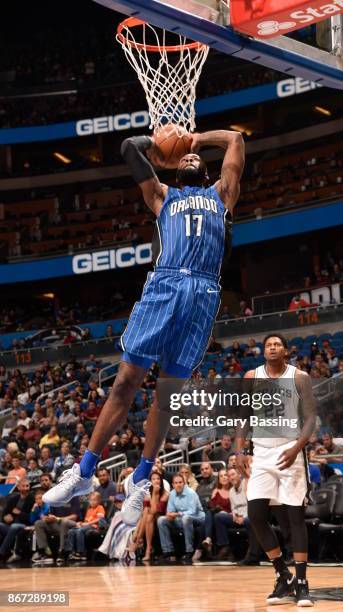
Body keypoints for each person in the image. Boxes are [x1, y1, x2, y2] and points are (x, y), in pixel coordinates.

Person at [43, 129, 245, 526]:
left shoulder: (222, 195)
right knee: (124, 382)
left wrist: (200, 138)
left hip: (204, 292)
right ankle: (84, 471)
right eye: (183, 160)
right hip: (165, 284)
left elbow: (236, 140)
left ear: (206, 171)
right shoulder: (161, 195)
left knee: (165, 394)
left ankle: (140, 478)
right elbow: (128, 149)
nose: (188, 159)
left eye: (194, 160)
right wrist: (162, 150)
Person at [236, 333, 316, 606]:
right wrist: (239, 451)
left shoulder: (299, 377)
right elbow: (243, 416)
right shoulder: (251, 376)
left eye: (276, 345)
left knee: (295, 517)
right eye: (268, 345)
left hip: (290, 451)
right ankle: (283, 575)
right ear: (264, 351)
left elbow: (310, 419)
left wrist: (296, 448)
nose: (272, 348)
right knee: (256, 515)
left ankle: (302, 582)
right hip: (261, 453)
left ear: (285, 351)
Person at [157, 473, 205, 561]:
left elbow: (192, 511)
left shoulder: (191, 493)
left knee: (186, 518)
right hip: (181, 519)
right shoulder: (172, 494)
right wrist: (170, 515)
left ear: (184, 483)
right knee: (161, 520)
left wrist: (177, 514)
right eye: (176, 483)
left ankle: (189, 551)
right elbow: (170, 510)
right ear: (173, 485)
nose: (178, 485)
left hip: (198, 518)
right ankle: (168, 552)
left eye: (180, 482)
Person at [0, 479, 34, 563]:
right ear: (18, 487)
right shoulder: (13, 499)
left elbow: (31, 517)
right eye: (23, 486)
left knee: (14, 526)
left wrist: (19, 513)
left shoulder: (32, 499)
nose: (26, 488)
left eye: (27, 486)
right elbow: (5, 513)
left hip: (25, 525)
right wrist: (5, 517)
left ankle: (1, 553)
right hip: (11, 525)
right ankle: (9, 552)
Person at [66, 492, 105, 562]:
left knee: (79, 531)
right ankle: (71, 552)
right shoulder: (89, 509)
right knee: (71, 531)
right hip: (86, 526)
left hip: (94, 526)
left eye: (94, 500)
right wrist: (81, 523)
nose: (92, 502)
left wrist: (87, 524)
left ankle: (81, 553)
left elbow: (100, 519)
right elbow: (86, 521)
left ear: (99, 501)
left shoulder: (100, 508)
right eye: (91, 500)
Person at [201, 468, 231, 554]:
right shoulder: (216, 491)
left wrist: (225, 512)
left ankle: (207, 541)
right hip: (216, 515)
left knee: (210, 517)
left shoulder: (232, 490)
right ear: (219, 479)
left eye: (225, 475)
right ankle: (208, 540)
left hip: (228, 515)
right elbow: (212, 506)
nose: (223, 477)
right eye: (221, 476)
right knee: (209, 513)